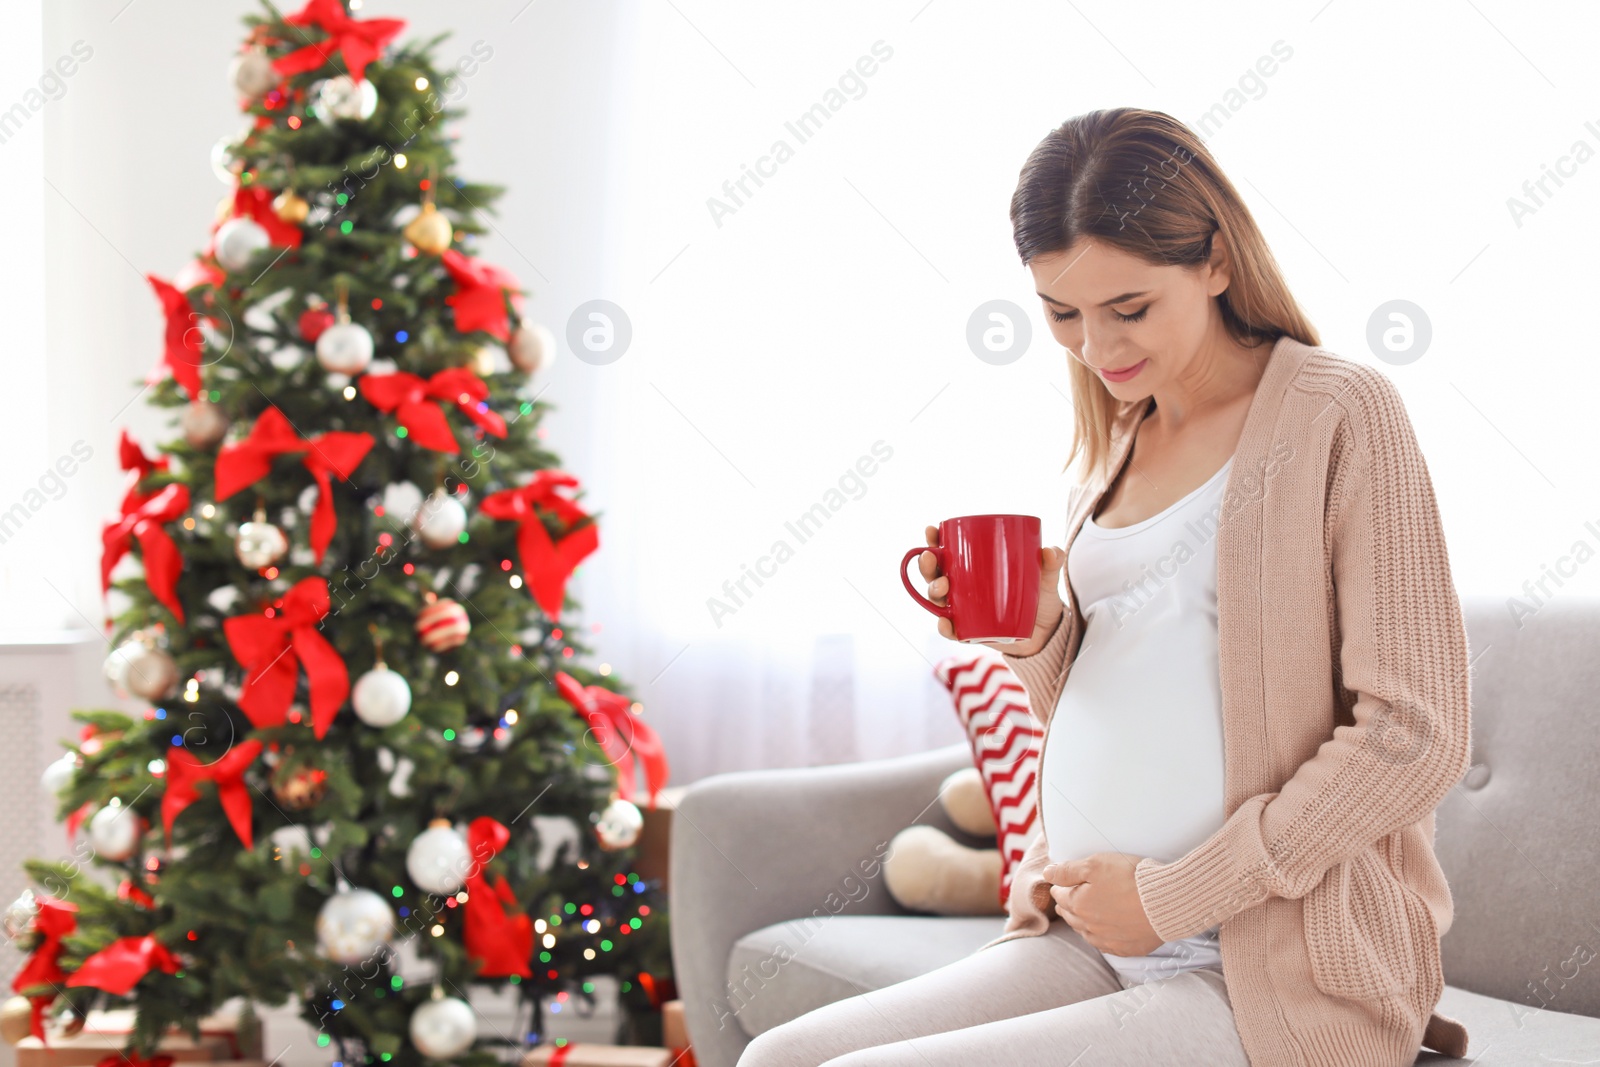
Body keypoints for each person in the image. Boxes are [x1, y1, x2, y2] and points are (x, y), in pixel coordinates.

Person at [735, 106, 1472, 1067]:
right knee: (778, 1060)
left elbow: (1414, 735)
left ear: (1215, 261)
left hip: (1265, 960)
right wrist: (1043, 636)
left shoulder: (1338, 412)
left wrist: (1175, 897)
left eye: (1129, 309)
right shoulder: (1117, 440)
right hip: (1091, 934)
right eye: (1061, 313)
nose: (1097, 347)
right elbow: (1110, 697)